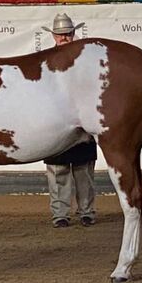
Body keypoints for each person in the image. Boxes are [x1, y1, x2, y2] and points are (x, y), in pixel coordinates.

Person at [41, 13, 97, 228]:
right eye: (60, 35)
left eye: (67, 34)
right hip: (56, 123)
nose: (64, 38)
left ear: (73, 34)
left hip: (81, 123)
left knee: (83, 171)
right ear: (54, 36)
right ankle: (60, 214)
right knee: (58, 171)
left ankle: (87, 211)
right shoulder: (45, 61)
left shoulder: (85, 60)